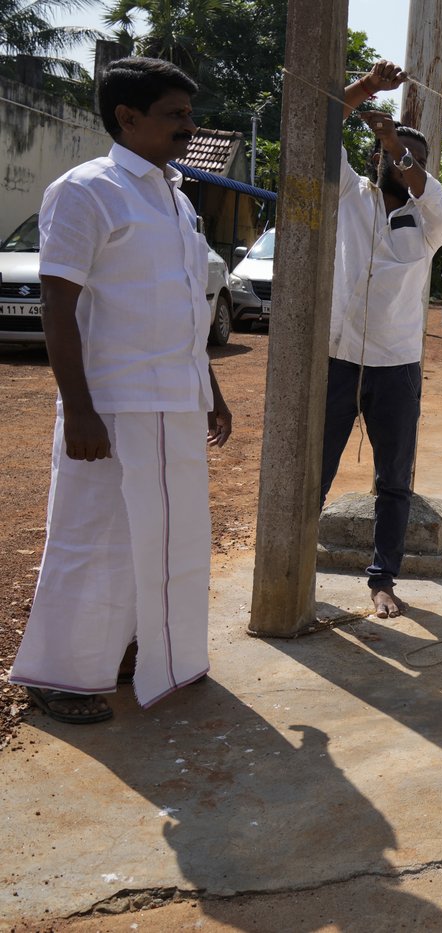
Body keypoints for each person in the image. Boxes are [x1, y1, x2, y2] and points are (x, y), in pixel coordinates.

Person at [7, 57, 233, 722]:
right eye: (175, 115)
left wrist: (212, 387)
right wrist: (78, 407)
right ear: (127, 117)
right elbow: (57, 303)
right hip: (111, 404)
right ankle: (60, 675)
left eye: (188, 115)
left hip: (177, 400)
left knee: (171, 537)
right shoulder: (87, 190)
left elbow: (188, 304)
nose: (189, 128)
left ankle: (148, 651)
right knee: (94, 536)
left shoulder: (177, 196)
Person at [319, 60, 442, 619]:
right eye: (392, 155)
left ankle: (383, 580)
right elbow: (320, 119)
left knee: (392, 481)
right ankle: (294, 561)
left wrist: (397, 145)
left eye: (411, 159)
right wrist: (368, 89)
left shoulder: (431, 221)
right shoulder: (350, 195)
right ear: (375, 158)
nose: (401, 165)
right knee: (316, 468)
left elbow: (427, 190)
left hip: (395, 366)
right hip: (338, 358)